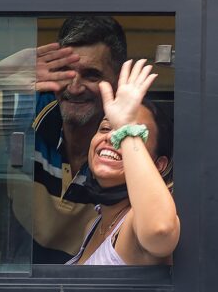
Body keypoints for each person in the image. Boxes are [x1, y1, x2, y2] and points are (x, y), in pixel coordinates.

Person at [5, 16, 129, 264]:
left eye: (91, 75)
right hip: (16, 291)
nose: (74, 87)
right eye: (65, 72)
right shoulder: (25, 112)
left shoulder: (134, 145)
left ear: (119, 80)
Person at [66, 59, 179, 265]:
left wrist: (127, 128)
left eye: (132, 133)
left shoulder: (136, 222)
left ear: (158, 165)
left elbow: (160, 231)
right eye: (106, 128)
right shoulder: (93, 225)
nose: (112, 137)